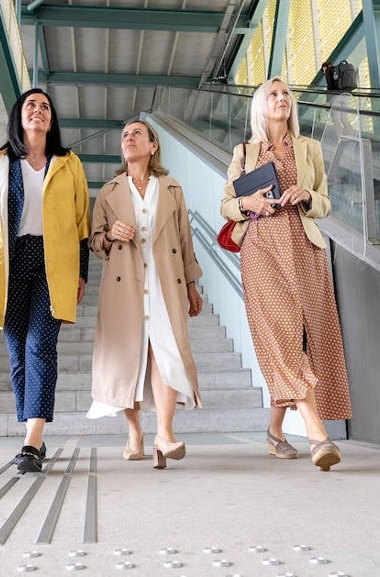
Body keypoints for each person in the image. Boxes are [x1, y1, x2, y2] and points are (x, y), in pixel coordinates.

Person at [219, 77, 352, 470]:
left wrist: (307, 195)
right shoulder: (244, 152)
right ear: (261, 106)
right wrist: (249, 201)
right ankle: (317, 435)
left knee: (307, 338)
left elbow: (325, 202)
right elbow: (226, 204)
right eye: (273, 95)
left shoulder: (309, 149)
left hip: (304, 247)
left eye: (286, 95)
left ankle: (275, 433)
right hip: (261, 247)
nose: (282, 99)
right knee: (280, 335)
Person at [0, 88, 90, 473]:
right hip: (9, 262)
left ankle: (32, 440)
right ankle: (34, 430)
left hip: (54, 263)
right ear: (19, 116)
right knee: (17, 350)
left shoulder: (69, 164)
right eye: (31, 105)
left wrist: (82, 271)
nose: (38, 111)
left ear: (52, 120)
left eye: (45, 107)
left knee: (39, 345)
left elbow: (81, 221)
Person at [87, 120, 204, 469]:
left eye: (137, 133)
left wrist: (193, 284)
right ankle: (135, 432)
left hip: (166, 284)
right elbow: (94, 242)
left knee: (166, 354)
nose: (129, 138)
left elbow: (185, 240)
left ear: (153, 146)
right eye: (125, 135)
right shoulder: (108, 192)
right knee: (129, 359)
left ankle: (164, 434)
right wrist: (110, 235)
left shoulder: (171, 189)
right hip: (124, 286)